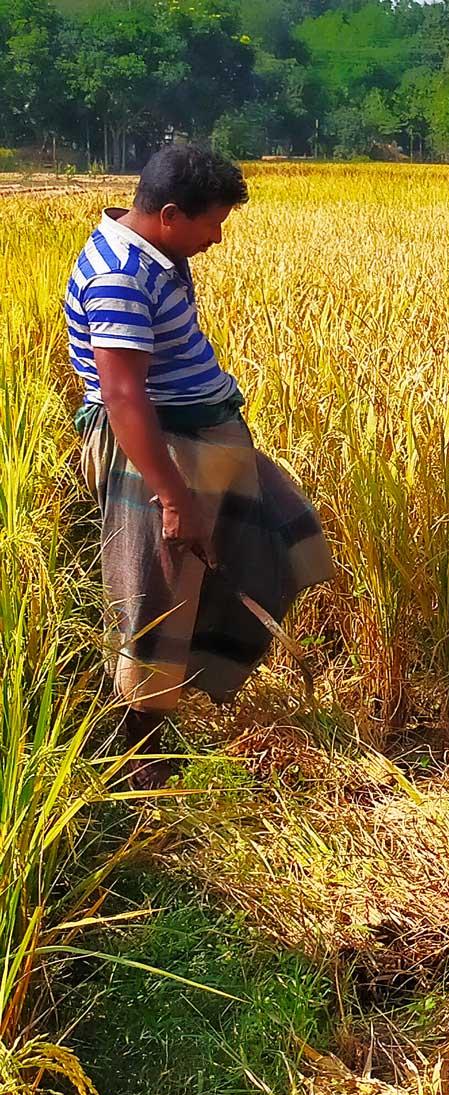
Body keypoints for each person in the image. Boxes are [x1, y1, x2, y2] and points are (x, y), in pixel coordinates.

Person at [63, 144, 332, 787]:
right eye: (211, 224)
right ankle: (139, 763)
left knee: (280, 542)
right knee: (156, 603)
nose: (216, 238)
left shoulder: (156, 255)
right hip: (161, 447)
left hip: (201, 439)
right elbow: (125, 395)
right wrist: (175, 496)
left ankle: (185, 697)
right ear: (170, 213)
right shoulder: (122, 276)